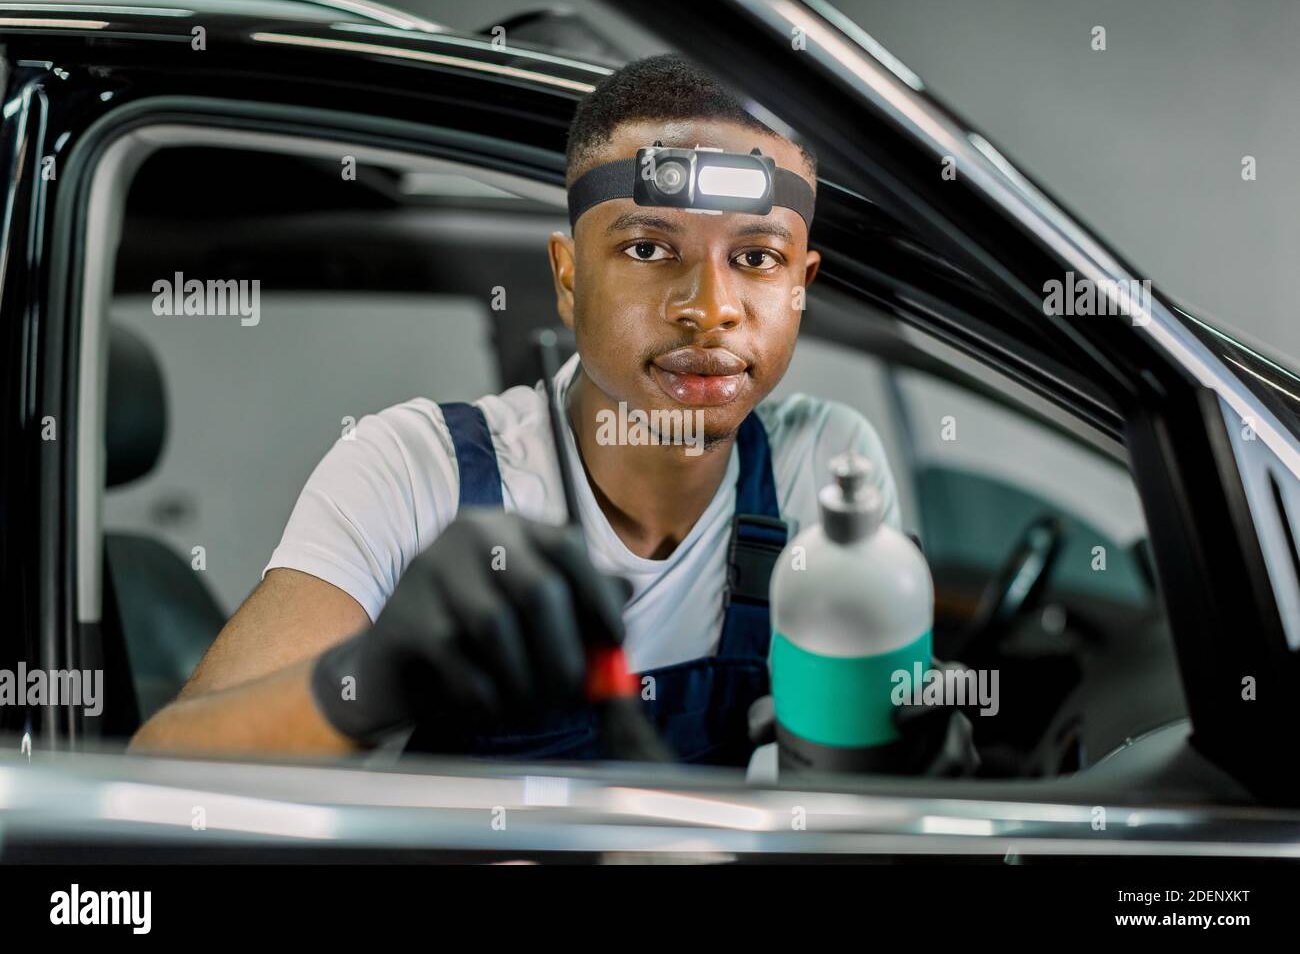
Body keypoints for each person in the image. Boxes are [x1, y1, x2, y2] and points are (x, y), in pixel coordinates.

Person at [131, 53, 968, 771]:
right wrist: (373, 678)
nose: (708, 307)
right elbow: (161, 781)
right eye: (648, 249)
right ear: (568, 278)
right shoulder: (415, 470)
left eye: (755, 257)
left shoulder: (820, 466)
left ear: (801, 288)